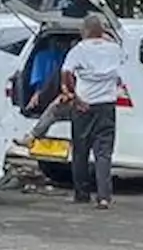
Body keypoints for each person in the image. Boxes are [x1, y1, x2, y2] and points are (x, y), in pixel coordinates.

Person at [62, 14, 122, 209]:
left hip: (84, 105)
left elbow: (66, 73)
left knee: (80, 150)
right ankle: (104, 197)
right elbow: (122, 75)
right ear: (102, 30)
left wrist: (74, 96)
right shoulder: (115, 50)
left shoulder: (78, 50)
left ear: (85, 31)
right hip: (107, 106)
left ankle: (82, 194)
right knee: (103, 153)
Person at [13, 38, 75, 148]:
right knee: (55, 107)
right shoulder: (67, 64)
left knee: (55, 106)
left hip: (87, 104)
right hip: (73, 101)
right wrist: (66, 94)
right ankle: (32, 136)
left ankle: (32, 136)